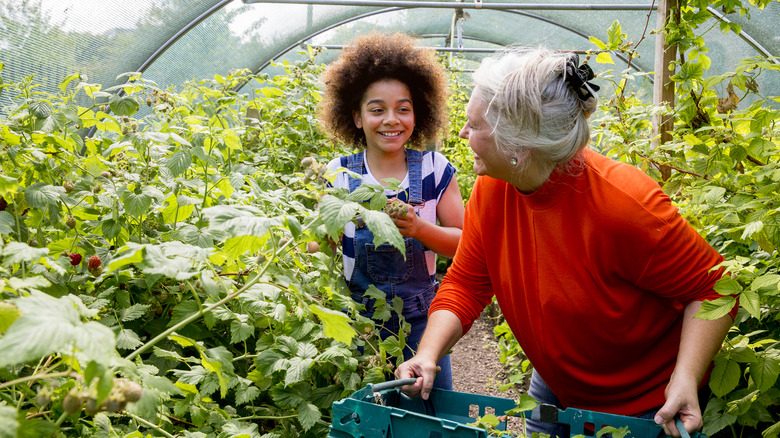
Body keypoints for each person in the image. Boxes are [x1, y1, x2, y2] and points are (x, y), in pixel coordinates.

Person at [395, 47, 736, 437]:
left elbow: (715, 290)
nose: (462, 133)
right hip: (556, 388)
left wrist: (685, 378)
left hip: (643, 406)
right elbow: (467, 282)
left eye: (474, 126)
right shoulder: (493, 190)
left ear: (519, 148)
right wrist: (427, 355)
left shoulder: (625, 207)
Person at [318, 32, 465, 390]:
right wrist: (323, 239)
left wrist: (418, 229)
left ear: (418, 114)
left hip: (421, 323)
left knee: (428, 409)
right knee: (367, 413)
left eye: (403, 108)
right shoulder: (339, 174)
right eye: (377, 109)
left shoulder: (435, 169)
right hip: (358, 324)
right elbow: (320, 251)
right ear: (355, 117)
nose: (391, 120)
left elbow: (464, 243)